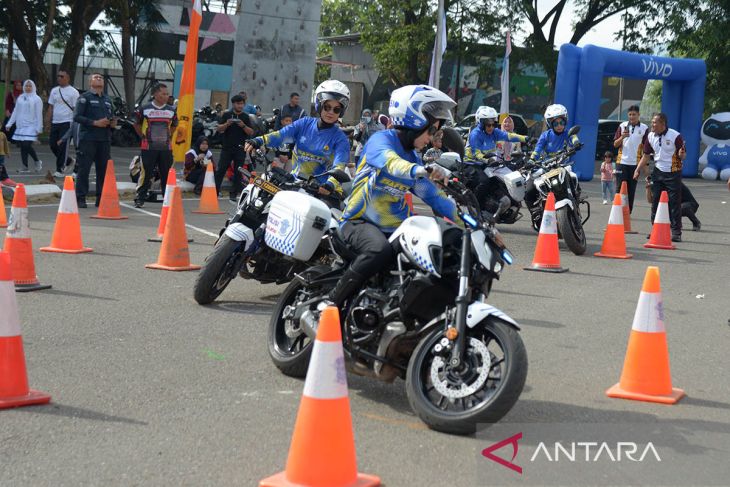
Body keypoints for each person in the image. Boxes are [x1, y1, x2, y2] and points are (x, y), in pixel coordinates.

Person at [329, 84, 457, 308]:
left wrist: (472, 223)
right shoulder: (381, 141)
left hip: (395, 228)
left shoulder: (413, 157)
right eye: (431, 131)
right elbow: (391, 163)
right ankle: (330, 305)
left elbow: (434, 198)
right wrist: (421, 170)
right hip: (358, 221)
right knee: (379, 250)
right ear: (414, 121)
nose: (431, 138)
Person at [245, 80, 352, 205]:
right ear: (319, 105)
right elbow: (280, 136)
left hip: (323, 192)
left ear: (341, 112)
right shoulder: (304, 124)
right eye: (327, 107)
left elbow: (339, 166)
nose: (330, 112)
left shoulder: (341, 139)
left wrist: (329, 185)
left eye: (336, 109)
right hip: (295, 185)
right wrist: (258, 141)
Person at [634, 112, 686, 242]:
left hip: (673, 172)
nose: (652, 125)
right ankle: (655, 229)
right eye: (652, 122)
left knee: (674, 203)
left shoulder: (675, 136)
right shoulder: (650, 136)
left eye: (655, 122)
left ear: (663, 124)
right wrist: (637, 169)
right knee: (655, 202)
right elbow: (646, 156)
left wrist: (681, 154)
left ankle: (676, 232)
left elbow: (683, 156)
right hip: (658, 172)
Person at [464, 105, 529, 207]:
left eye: (493, 124)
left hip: (489, 163)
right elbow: (476, 153)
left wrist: (525, 138)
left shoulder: (494, 132)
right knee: (484, 181)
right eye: (488, 124)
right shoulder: (475, 134)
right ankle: (474, 206)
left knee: (506, 177)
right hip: (472, 163)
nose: (491, 127)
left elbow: (508, 136)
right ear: (481, 123)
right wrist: (488, 160)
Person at [525, 104, 580, 219]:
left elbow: (573, 137)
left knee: (573, 177)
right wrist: (531, 160)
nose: (560, 126)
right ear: (550, 124)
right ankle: (536, 214)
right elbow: (538, 149)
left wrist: (576, 144)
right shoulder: (545, 136)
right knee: (529, 189)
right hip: (547, 167)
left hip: (563, 165)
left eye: (562, 123)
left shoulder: (567, 133)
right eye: (556, 123)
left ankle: (576, 202)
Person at [74, 73, 116, 208]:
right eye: (96, 77)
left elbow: (111, 117)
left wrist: (112, 124)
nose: (99, 79)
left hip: (104, 140)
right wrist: (94, 123)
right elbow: (77, 117)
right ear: (90, 82)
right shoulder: (84, 98)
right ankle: (80, 198)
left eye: (101, 78)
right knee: (84, 169)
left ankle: (101, 198)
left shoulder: (108, 100)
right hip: (88, 139)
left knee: (103, 170)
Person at [133, 82, 177, 208]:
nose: (166, 96)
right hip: (148, 147)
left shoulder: (171, 110)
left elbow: (174, 124)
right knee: (146, 173)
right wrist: (143, 136)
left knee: (166, 173)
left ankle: (167, 198)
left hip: (166, 148)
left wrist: (169, 137)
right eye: (163, 93)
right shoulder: (145, 108)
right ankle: (140, 198)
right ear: (155, 94)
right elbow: (136, 124)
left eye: (167, 94)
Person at [216, 94, 255, 201]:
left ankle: (233, 194)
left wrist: (242, 125)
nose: (240, 106)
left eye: (242, 104)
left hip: (240, 148)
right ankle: (215, 191)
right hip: (227, 147)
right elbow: (219, 128)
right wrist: (227, 124)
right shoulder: (227, 114)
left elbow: (251, 132)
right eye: (238, 104)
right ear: (233, 104)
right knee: (221, 170)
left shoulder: (246, 117)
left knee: (238, 172)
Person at [613, 104, 648, 212]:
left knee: (631, 189)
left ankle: (628, 212)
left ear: (638, 115)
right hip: (621, 162)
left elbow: (646, 149)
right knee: (619, 188)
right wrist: (622, 136)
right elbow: (615, 144)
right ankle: (616, 211)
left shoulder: (644, 128)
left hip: (635, 164)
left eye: (634, 114)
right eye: (630, 114)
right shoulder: (622, 126)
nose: (632, 117)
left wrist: (645, 168)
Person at [4, 80, 43, 173]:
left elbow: (39, 114)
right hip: (20, 126)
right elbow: (15, 111)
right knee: (23, 146)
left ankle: (35, 162)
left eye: (30, 86)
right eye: (26, 86)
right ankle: (27, 166)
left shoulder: (37, 99)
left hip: (31, 126)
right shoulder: (20, 97)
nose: (28, 88)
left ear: (33, 87)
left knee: (26, 145)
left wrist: (39, 127)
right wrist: (9, 123)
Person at [47, 70, 80, 177]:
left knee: (62, 146)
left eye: (62, 76)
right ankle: (68, 160)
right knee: (52, 144)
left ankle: (60, 169)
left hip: (67, 122)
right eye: (58, 76)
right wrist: (48, 120)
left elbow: (76, 109)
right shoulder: (54, 91)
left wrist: (75, 123)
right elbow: (51, 107)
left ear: (68, 78)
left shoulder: (73, 92)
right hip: (55, 121)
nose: (59, 78)